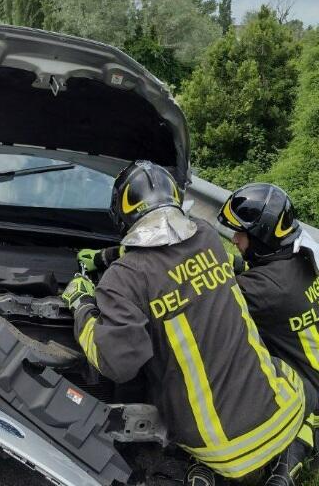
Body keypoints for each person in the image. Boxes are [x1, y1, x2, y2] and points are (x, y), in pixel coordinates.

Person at [64, 161, 309, 486]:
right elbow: (162, 253)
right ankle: (276, 466)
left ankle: (208, 466)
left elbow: (119, 364)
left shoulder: (122, 281)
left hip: (217, 445)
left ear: (123, 215)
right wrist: (107, 256)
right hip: (285, 413)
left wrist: (81, 305)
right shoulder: (207, 238)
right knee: (280, 368)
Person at [223, 184, 319, 466]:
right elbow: (247, 269)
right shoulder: (302, 255)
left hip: (308, 388)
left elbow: (210, 298)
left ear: (262, 238)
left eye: (241, 233)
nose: (234, 239)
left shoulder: (265, 290)